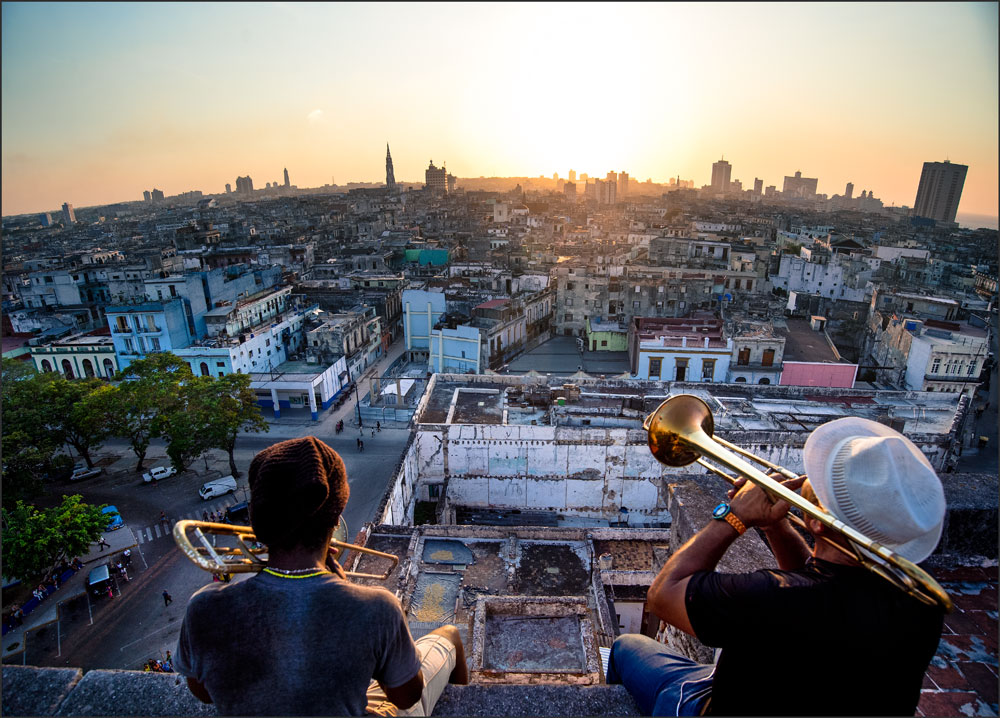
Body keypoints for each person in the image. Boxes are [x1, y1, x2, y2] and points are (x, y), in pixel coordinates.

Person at [607, 417, 947, 716]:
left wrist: (734, 516)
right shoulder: (922, 602)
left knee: (625, 647)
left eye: (818, 481)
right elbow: (819, 584)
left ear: (818, 524)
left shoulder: (773, 598)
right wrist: (774, 526)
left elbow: (663, 595)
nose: (803, 479)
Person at [175, 436, 469, 716]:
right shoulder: (378, 608)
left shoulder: (203, 608)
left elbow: (204, 692)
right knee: (449, 636)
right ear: (336, 518)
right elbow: (407, 696)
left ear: (255, 519)